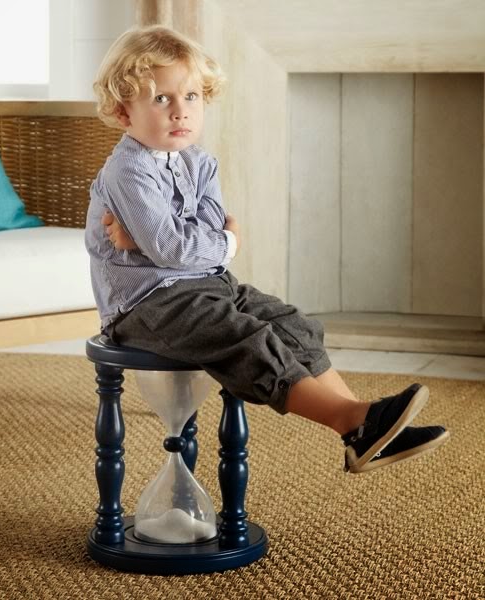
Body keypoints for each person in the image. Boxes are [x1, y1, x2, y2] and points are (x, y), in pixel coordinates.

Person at [84, 25, 449, 474]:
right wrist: (227, 242)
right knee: (245, 338)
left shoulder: (200, 162)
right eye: (162, 99)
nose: (181, 111)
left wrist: (172, 242)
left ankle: (365, 428)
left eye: (191, 96)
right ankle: (349, 419)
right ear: (123, 112)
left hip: (207, 285)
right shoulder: (128, 170)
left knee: (291, 324)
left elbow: (194, 236)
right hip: (145, 305)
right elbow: (178, 247)